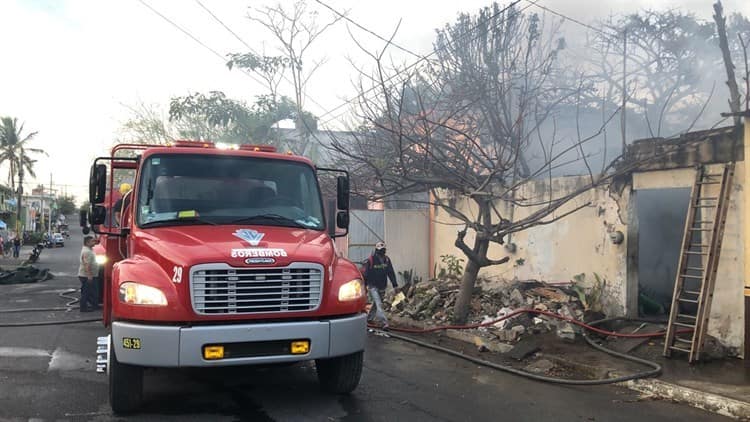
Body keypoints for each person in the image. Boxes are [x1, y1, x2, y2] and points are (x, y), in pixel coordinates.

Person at [362, 241, 399, 328]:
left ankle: (369, 318)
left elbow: (391, 273)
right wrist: (365, 286)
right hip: (373, 286)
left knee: (376, 303)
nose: (382, 251)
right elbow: (366, 274)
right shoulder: (371, 260)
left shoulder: (387, 260)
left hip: (382, 286)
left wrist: (395, 285)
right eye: (380, 250)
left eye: (383, 250)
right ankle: (384, 323)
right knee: (379, 304)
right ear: (376, 250)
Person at [78, 236, 100, 312]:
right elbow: (86, 264)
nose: (94, 242)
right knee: (86, 292)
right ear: (87, 243)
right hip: (86, 276)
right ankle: (83, 308)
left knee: (93, 292)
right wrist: (89, 276)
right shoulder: (87, 252)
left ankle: (94, 305)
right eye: (92, 241)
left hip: (90, 275)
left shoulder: (89, 249)